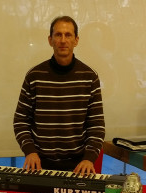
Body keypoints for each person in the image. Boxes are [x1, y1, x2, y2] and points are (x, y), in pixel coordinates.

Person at [13, 16, 105, 175]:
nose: (63, 40)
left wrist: (89, 158)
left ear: (76, 40)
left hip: (78, 167)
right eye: (58, 35)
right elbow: (20, 120)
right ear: (50, 40)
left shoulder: (90, 77)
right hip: (39, 165)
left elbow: (96, 126)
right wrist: (30, 151)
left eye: (68, 35)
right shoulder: (34, 76)